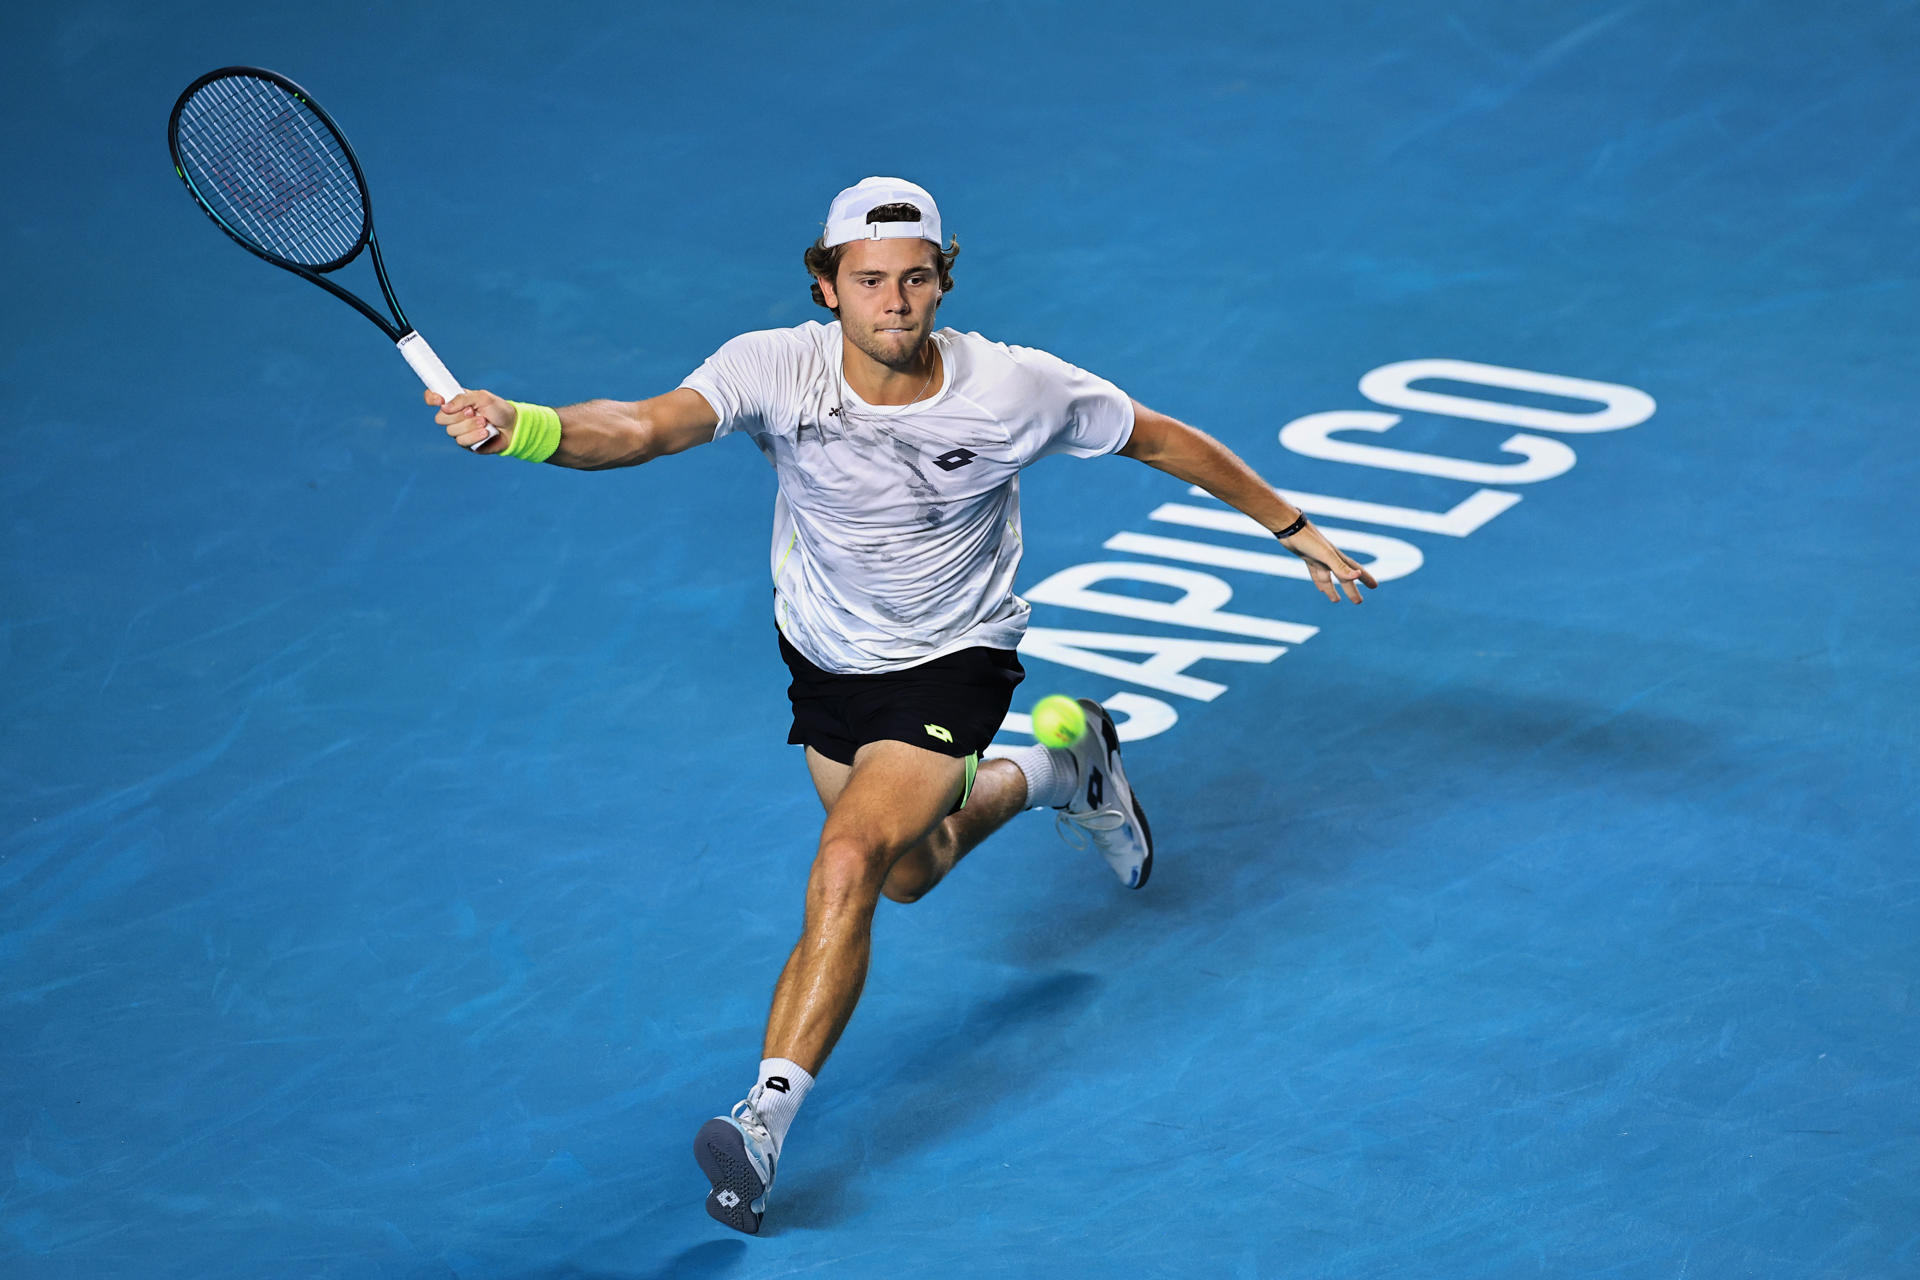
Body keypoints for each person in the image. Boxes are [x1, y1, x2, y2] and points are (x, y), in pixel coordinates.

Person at [429, 176, 1377, 1235]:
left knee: (847, 859)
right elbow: (644, 426)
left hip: (953, 657)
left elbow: (1160, 438)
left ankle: (763, 1119)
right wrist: (526, 426)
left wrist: (1290, 526)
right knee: (911, 873)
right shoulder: (772, 366)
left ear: (943, 280)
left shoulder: (1017, 387)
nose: (895, 300)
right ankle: (1066, 769)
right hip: (827, 659)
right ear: (826, 286)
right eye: (870, 280)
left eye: (916, 278)